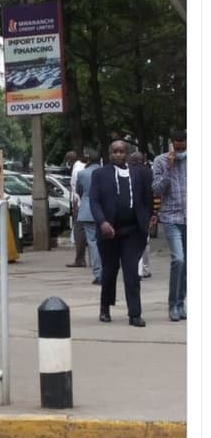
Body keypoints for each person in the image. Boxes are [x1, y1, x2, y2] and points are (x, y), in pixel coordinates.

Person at [90, 139, 154, 327]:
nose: (118, 154)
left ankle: (135, 313)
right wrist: (102, 222)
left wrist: (149, 216)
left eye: (121, 151)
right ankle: (105, 307)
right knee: (109, 271)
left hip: (133, 231)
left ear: (127, 153)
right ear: (109, 154)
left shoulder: (139, 173)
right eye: (114, 151)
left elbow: (147, 198)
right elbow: (94, 201)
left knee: (132, 272)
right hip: (109, 231)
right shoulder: (100, 174)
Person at [152, 130, 187, 322]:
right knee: (179, 260)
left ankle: (181, 303)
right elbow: (157, 189)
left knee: (189, 265)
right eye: (177, 143)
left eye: (183, 142)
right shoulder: (161, 161)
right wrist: (169, 169)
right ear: (172, 143)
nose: (180, 146)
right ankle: (173, 304)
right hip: (171, 218)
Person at [75, 148, 102, 283]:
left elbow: (78, 191)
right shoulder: (105, 172)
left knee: (93, 242)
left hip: (87, 210)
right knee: (104, 243)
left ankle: (98, 273)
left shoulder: (82, 174)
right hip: (104, 211)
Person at [127, 151, 153, 278]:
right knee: (144, 241)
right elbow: (151, 194)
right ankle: (144, 269)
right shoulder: (148, 172)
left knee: (132, 241)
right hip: (145, 211)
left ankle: (136, 268)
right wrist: (153, 212)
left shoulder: (128, 172)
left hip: (131, 210)